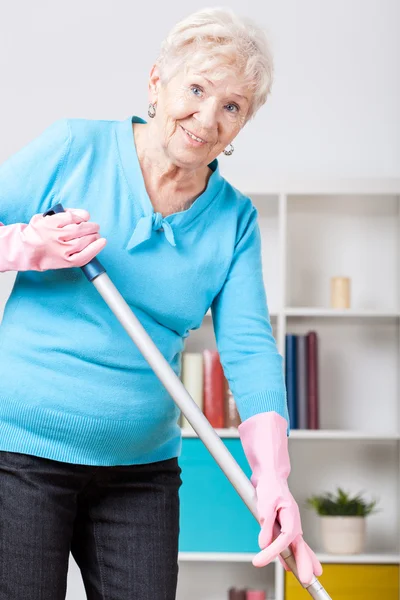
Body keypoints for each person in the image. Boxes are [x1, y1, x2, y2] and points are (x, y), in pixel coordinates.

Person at [0, 7, 322, 599]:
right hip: (18, 455)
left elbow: (249, 348)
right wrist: (27, 244)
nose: (206, 119)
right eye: (196, 89)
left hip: (140, 473)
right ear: (157, 81)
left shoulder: (234, 220)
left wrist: (273, 479)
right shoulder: (75, 149)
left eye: (232, 106)